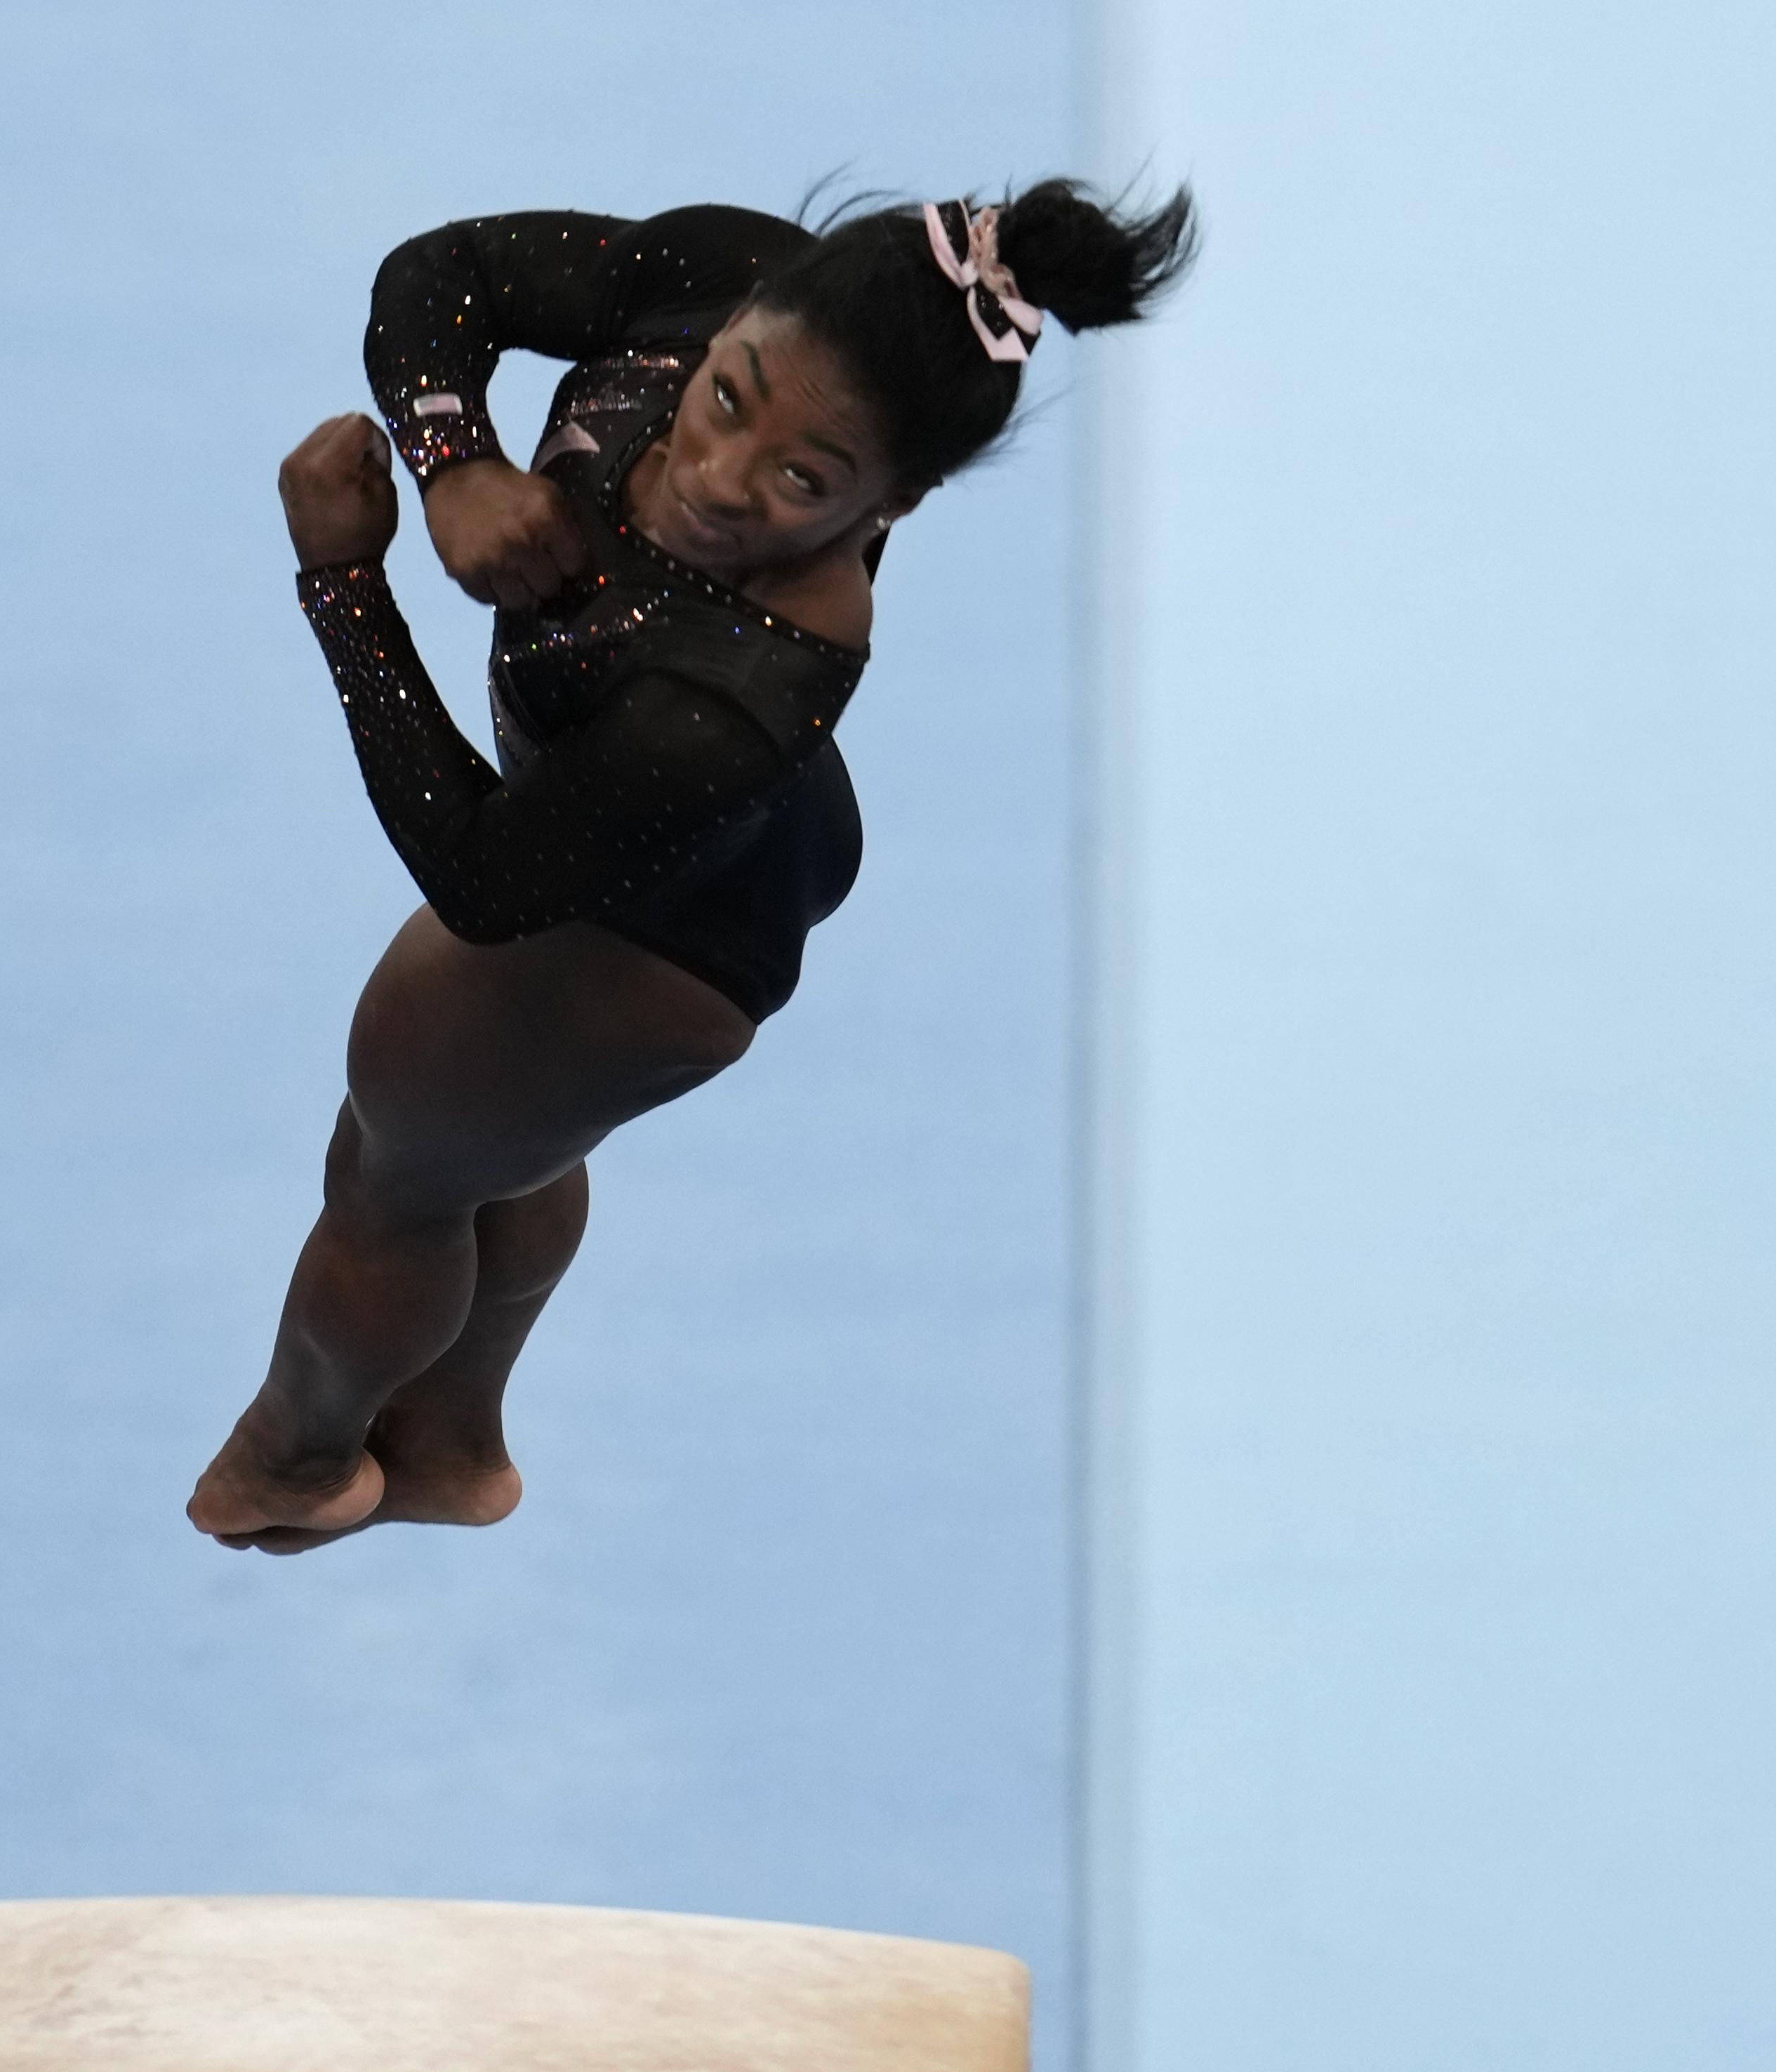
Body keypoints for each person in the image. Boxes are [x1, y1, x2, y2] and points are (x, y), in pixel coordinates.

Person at [187, 184, 1194, 1550]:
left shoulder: (740, 680)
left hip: (649, 939)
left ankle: (296, 1461)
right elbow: (446, 274)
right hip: (706, 838)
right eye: (729, 399)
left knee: (393, 1179)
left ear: (895, 499)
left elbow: (483, 879)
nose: (725, 479)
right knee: (509, 1135)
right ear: (737, 317)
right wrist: (455, 460)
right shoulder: (722, 271)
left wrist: (345, 586)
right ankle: (451, 1443)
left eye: (803, 481)